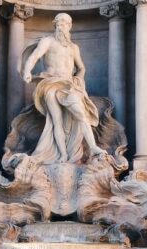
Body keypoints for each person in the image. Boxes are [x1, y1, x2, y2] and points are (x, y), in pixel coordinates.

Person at [19, 13, 106, 164]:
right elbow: (34, 57)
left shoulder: (73, 48)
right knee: (56, 121)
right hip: (50, 84)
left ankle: (92, 147)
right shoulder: (48, 41)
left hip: (68, 85)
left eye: (64, 23)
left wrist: (79, 79)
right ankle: (63, 155)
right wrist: (27, 71)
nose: (61, 26)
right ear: (55, 25)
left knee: (81, 114)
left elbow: (81, 68)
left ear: (70, 26)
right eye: (58, 23)